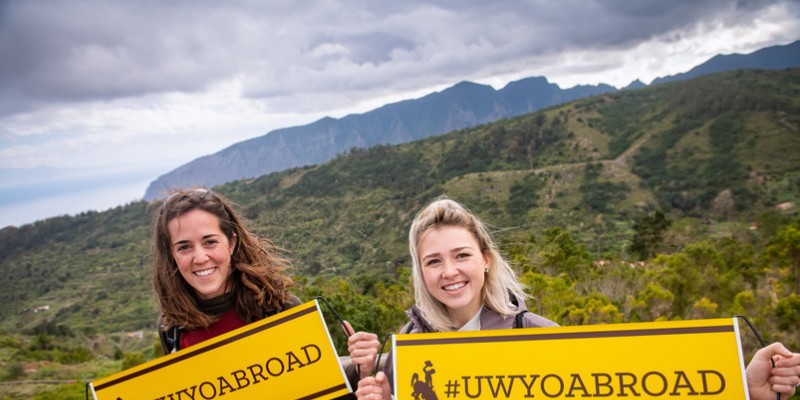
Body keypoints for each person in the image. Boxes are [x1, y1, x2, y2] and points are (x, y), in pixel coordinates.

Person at [356, 197, 800, 400]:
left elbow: (639, 388)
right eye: (433, 261)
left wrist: (744, 389)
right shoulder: (405, 354)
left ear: (486, 260)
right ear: (421, 273)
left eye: (462, 255)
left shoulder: (541, 337)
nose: (449, 271)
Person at [151, 187, 379, 388]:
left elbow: (321, 388)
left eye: (210, 242)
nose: (200, 258)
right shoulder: (173, 327)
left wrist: (360, 370)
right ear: (171, 255)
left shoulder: (280, 308)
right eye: (184, 247)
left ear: (232, 243)